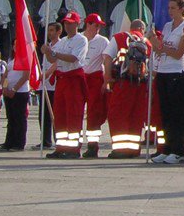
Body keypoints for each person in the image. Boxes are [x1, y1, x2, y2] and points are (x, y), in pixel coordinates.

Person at [150, 0, 184, 164]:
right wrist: (156, 43)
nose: (170, 11)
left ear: (181, 9)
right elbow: (161, 50)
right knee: (166, 112)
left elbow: (179, 53)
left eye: (173, 8)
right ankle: (167, 147)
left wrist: (162, 47)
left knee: (177, 113)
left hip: (177, 72)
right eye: (169, 8)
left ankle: (178, 149)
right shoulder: (168, 26)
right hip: (163, 71)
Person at [106, 20, 152, 158]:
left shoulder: (119, 37)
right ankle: (133, 149)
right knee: (135, 116)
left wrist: (107, 78)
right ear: (142, 29)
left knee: (118, 115)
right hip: (141, 84)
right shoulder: (147, 43)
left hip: (123, 82)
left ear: (130, 28)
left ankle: (120, 149)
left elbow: (107, 57)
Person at [46, 12, 88, 158]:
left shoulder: (81, 40)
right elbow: (53, 60)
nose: (68, 26)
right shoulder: (63, 41)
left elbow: (73, 58)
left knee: (73, 113)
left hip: (73, 79)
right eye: (66, 23)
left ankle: (74, 148)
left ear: (77, 24)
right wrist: (47, 52)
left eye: (71, 23)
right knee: (60, 113)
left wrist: (54, 54)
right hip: (62, 79)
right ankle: (61, 145)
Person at [77, 14, 114, 158]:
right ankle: (75, 144)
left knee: (94, 113)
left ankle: (93, 146)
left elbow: (106, 60)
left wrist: (106, 81)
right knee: (76, 111)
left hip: (95, 78)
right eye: (96, 25)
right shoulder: (80, 39)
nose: (98, 28)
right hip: (79, 77)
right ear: (88, 24)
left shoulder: (103, 41)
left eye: (99, 26)